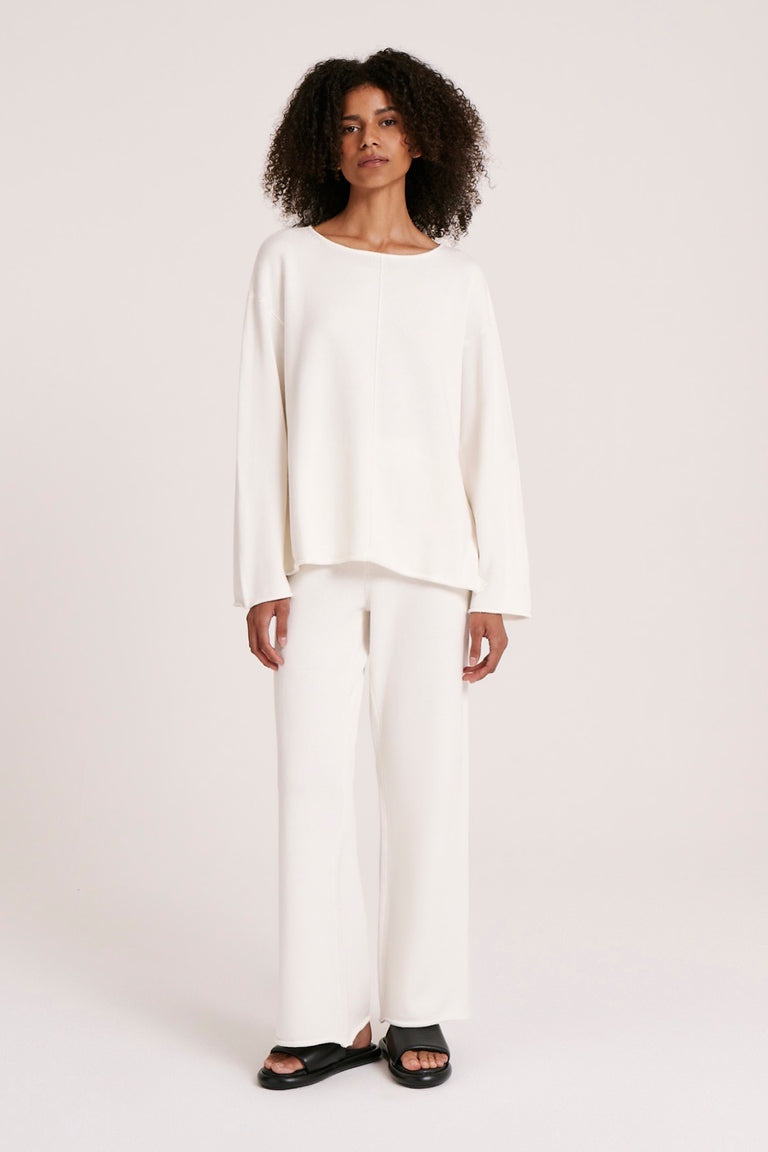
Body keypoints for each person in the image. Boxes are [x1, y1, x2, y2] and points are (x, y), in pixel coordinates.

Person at [233, 47, 532, 1090]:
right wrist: (261, 574)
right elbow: (260, 427)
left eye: (389, 121)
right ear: (325, 144)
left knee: (426, 789)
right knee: (311, 786)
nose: (369, 140)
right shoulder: (287, 264)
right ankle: (324, 1017)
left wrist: (497, 590)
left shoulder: (458, 281)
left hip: (432, 569)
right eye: (352, 124)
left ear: (423, 140)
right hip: (315, 566)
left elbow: (488, 439)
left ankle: (416, 1007)